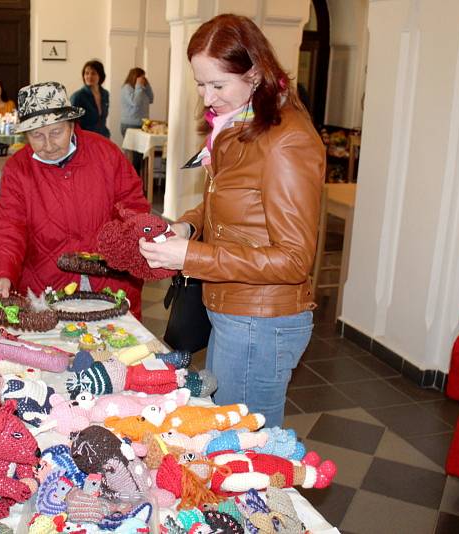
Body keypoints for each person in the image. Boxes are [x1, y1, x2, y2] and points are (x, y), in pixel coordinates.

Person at [139, 14, 325, 427]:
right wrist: (188, 226)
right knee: (227, 432)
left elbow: (293, 259)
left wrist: (192, 255)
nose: (206, 98)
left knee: (246, 446)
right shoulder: (239, 124)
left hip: (262, 322)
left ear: (255, 73)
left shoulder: (286, 140)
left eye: (217, 85)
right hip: (235, 311)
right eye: (200, 84)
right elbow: (223, 200)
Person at [0, 81, 149, 317]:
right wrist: (3, 274)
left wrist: (126, 246)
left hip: (111, 286)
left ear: (71, 125)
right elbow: (8, 227)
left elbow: (133, 209)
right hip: (47, 288)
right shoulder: (18, 169)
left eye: (56, 132)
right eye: (37, 135)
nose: (49, 145)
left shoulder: (106, 153)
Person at [70, 60, 110, 138]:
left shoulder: (105, 94)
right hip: (85, 139)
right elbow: (71, 123)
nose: (89, 76)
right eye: (86, 73)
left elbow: (102, 119)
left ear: (100, 75)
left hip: (102, 137)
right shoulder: (78, 96)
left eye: (93, 73)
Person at [120, 67, 154, 138]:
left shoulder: (142, 89)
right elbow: (135, 102)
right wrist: (138, 86)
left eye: (144, 77)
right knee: (131, 149)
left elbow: (151, 99)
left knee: (142, 148)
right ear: (135, 77)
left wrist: (147, 86)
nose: (143, 79)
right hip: (130, 125)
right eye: (141, 77)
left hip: (143, 124)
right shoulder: (127, 88)